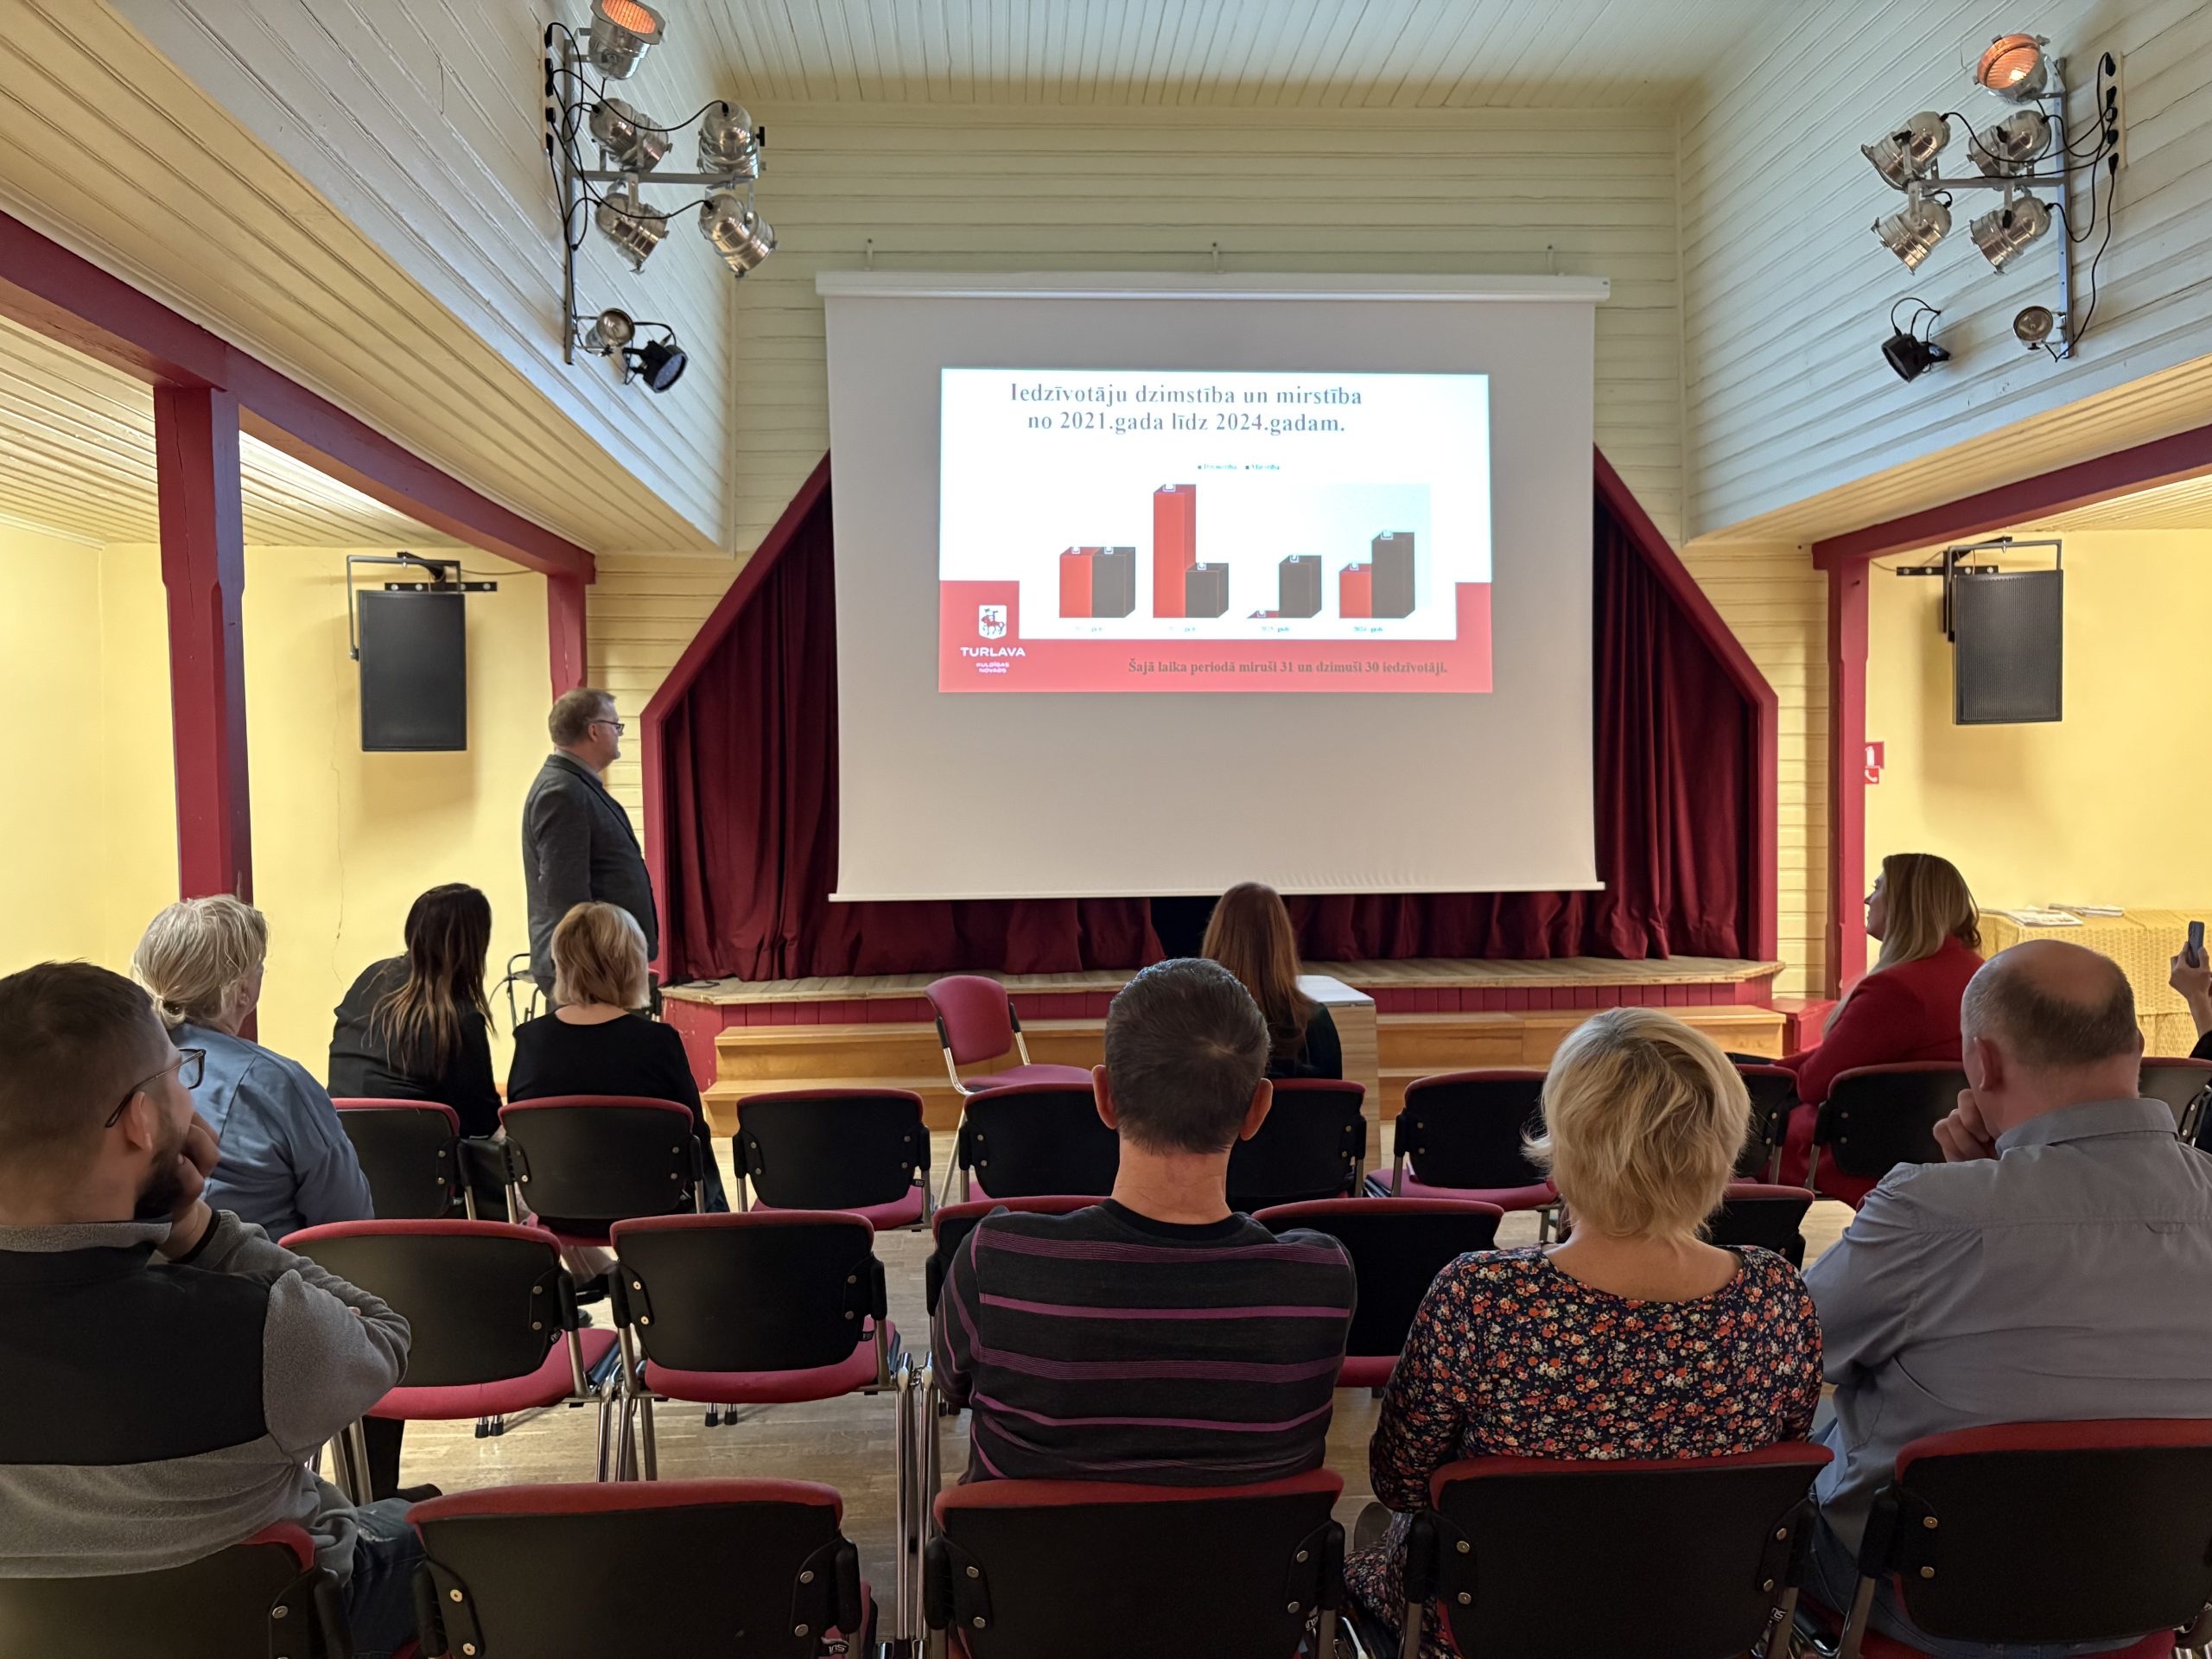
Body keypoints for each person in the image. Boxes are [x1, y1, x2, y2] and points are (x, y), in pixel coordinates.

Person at [1349, 1007, 1822, 1656]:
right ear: (1722, 1144)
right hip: (1703, 1625)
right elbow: (1780, 1471)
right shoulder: (1775, 1295)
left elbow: (1400, 1481)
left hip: (1492, 1633)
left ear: (1566, 1141)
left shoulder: (1481, 1297)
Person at [1802, 941, 2212, 1659]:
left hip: (1922, 1609)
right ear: (2138, 1048)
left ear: (1982, 1063)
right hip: (2154, 1592)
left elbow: (1793, 1350)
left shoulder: (1926, 1212)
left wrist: (1965, 1194)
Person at [0, 963, 418, 1659]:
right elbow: (383, 1339)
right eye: (179, 1073)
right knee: (431, 1531)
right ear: (140, 1120)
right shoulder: (262, 1332)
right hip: (284, 1630)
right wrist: (198, 1227)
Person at [932, 957, 1357, 1484]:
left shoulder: (998, 1262)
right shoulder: (1321, 1279)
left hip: (1034, 1543)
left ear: (1104, 1097)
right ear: (1258, 1109)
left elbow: (951, 1388)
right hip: (1257, 1545)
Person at [133, 894, 372, 1238]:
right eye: (259, 965)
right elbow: (347, 1226)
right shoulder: (277, 1084)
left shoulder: (117, 1069)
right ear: (243, 991)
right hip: (257, 1268)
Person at [1776, 852, 1983, 1198]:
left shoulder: (1897, 989)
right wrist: (1778, 1067)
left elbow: (1813, 1085)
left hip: (1856, 1153)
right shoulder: (1977, 972)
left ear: (1906, 903)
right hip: (1941, 1148)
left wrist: (1766, 1076)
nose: (1867, 899)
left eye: (1878, 888)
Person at [506, 901, 726, 1214]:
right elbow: (694, 1138)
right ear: (629, 964)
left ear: (561, 963)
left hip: (557, 1208)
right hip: (652, 1209)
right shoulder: (659, 1042)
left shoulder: (529, 1041)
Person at [328, 882, 501, 1137]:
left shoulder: (371, 979)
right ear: (475, 945)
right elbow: (482, 1122)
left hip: (344, 1142)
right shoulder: (459, 1017)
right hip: (421, 1153)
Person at [524, 687, 657, 999]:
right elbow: (566, 893)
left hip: (602, 966)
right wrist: (589, 970)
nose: (619, 733)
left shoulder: (575, 785)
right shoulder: (562, 792)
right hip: (588, 972)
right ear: (594, 731)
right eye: (616, 725)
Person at [1202, 880, 1342, 1080]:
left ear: (1217, 936)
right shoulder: (1315, 1022)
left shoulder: (1189, 1022)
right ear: (1284, 942)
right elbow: (1333, 1096)